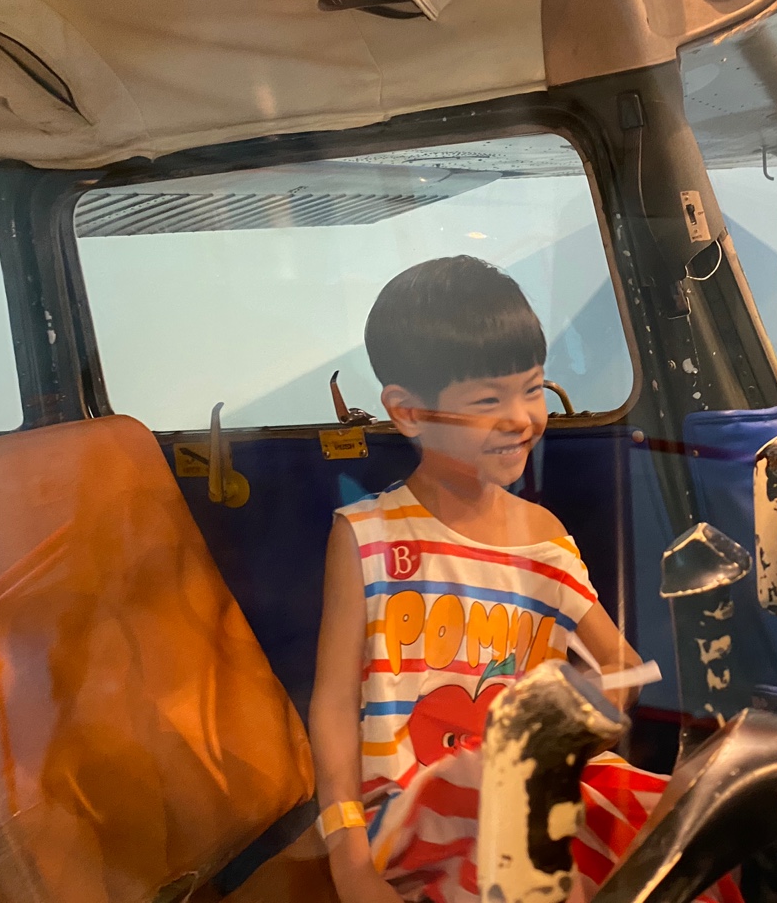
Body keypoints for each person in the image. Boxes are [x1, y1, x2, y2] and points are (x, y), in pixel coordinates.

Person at [309, 256, 739, 903]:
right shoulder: (366, 536)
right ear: (408, 413)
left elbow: (620, 669)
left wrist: (566, 727)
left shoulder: (545, 539)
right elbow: (335, 706)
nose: (520, 418)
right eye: (489, 400)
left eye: (533, 389)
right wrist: (348, 860)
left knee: (686, 828)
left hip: (528, 804)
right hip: (414, 824)